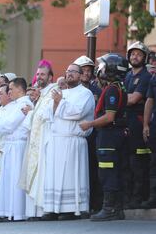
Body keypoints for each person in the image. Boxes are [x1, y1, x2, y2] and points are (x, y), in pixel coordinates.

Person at [80, 53, 129, 221]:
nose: (100, 68)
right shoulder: (119, 87)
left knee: (107, 172)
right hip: (115, 135)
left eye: (103, 65)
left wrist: (89, 124)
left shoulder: (112, 90)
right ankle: (117, 209)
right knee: (115, 171)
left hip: (109, 136)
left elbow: (109, 117)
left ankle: (109, 209)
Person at [43, 64, 95, 220]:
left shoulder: (86, 94)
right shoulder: (61, 92)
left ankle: (72, 209)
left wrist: (60, 103)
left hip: (73, 140)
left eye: (73, 71)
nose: (69, 74)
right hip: (56, 140)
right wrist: (56, 102)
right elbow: (47, 112)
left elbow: (78, 113)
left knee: (70, 175)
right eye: (67, 71)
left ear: (80, 75)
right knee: (54, 175)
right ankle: (53, 208)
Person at [19, 63, 58, 220]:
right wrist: (32, 111)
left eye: (43, 74)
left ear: (50, 77)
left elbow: (47, 115)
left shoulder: (54, 92)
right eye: (38, 74)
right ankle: (34, 212)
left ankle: (43, 210)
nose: (39, 77)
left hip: (45, 141)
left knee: (42, 174)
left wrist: (32, 112)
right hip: (36, 140)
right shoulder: (42, 94)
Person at [0, 80, 33, 220]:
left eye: (11, 89)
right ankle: (10, 211)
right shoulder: (15, 104)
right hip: (11, 145)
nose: (9, 92)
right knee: (9, 179)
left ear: (20, 89)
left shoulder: (25, 104)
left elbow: (10, 124)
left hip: (18, 146)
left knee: (16, 179)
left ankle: (18, 212)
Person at [124, 41, 152, 209]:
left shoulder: (145, 77)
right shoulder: (128, 75)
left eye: (139, 54)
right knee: (127, 162)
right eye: (132, 54)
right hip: (128, 122)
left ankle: (138, 198)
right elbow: (128, 98)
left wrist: (120, 99)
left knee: (138, 162)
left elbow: (134, 99)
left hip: (139, 124)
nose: (135, 56)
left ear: (144, 58)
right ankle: (129, 197)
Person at [73, 55, 103, 213]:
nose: (86, 73)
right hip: (75, 136)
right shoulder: (70, 90)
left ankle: (94, 204)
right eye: (83, 70)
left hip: (93, 134)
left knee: (93, 169)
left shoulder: (96, 90)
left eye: (88, 70)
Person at [142, 65, 156, 209]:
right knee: (154, 164)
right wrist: (146, 124)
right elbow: (150, 101)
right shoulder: (154, 79)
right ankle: (153, 198)